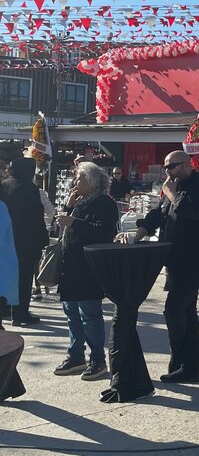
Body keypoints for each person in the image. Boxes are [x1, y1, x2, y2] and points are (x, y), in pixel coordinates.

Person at [132, 151, 199, 384]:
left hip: (195, 259)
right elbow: (159, 213)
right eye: (166, 168)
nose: (168, 172)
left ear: (187, 165)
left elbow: (193, 212)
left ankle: (184, 361)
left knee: (174, 309)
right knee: (186, 311)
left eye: (172, 167)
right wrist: (141, 231)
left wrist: (172, 193)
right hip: (175, 259)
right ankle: (187, 365)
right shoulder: (174, 188)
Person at [53, 162, 119, 380]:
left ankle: (97, 359)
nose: (75, 182)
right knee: (71, 313)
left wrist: (74, 221)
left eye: (79, 178)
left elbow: (105, 233)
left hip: (88, 268)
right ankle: (76, 356)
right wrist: (69, 207)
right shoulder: (79, 201)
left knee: (89, 315)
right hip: (70, 267)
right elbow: (64, 227)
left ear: (91, 182)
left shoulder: (105, 203)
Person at [1, 157, 48, 326]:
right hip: (25, 241)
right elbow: (36, 217)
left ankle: (4, 309)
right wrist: (43, 238)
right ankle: (20, 313)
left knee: (5, 275)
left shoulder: (4, 185)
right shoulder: (30, 189)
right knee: (24, 278)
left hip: (5, 239)